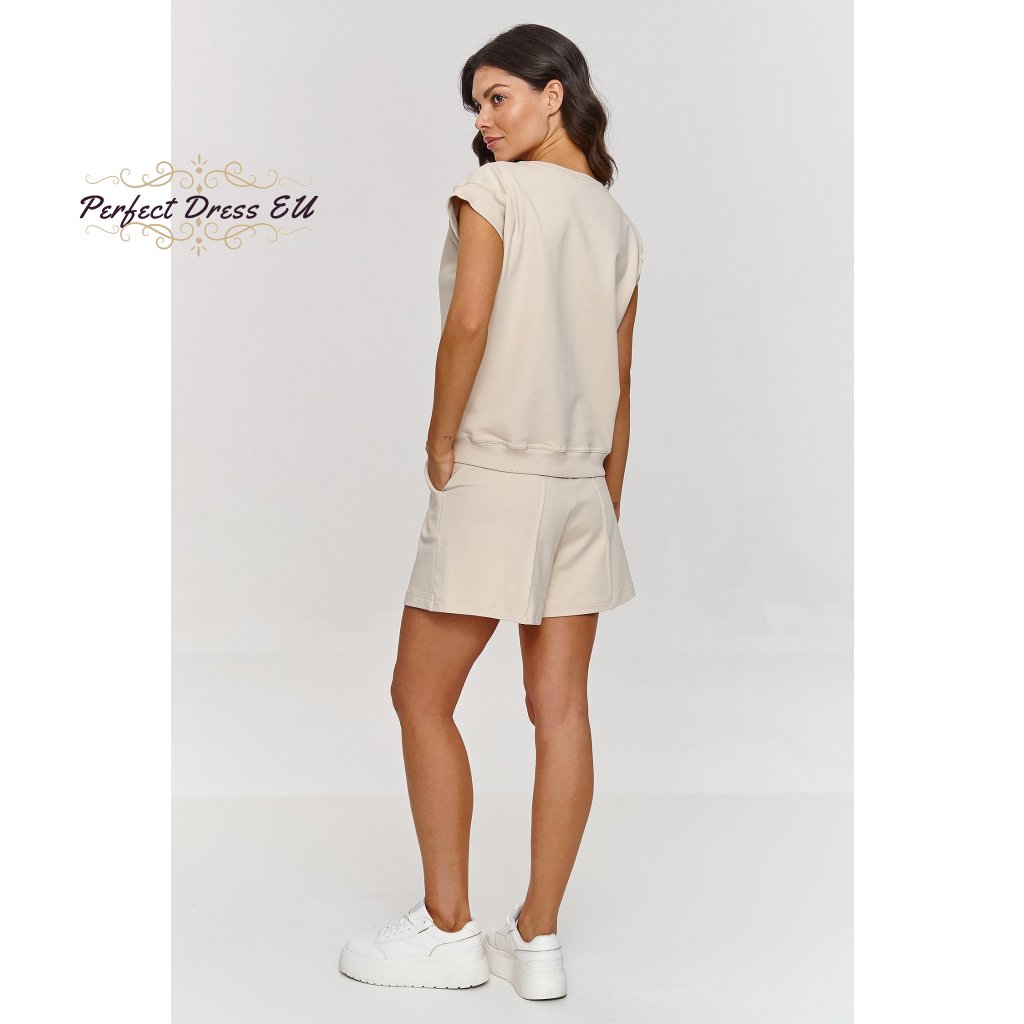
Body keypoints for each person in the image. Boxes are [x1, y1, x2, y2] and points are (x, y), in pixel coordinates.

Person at [339, 23, 643, 1001]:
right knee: (562, 712)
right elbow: (621, 382)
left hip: (497, 475)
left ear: (555, 94)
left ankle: (446, 931)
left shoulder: (494, 193)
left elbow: (468, 321)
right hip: (581, 488)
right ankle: (537, 942)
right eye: (476, 106)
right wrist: (607, 497)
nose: (484, 120)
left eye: (498, 96)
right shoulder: (616, 224)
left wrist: (440, 439)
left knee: (420, 696)